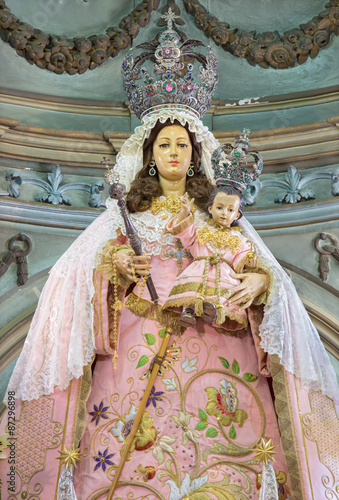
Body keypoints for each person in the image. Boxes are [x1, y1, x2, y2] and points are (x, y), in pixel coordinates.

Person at [1, 12, 338, 500]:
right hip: (136, 345)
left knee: (224, 450)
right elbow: (81, 273)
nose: (174, 152)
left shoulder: (216, 213)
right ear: (150, 153)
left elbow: (251, 262)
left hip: (216, 333)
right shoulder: (127, 216)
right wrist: (118, 266)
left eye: (182, 143)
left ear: (195, 152)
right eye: (165, 144)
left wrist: (260, 284)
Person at [163, 187, 265, 328]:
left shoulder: (240, 240)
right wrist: (184, 212)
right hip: (199, 269)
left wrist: (250, 265)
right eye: (219, 207)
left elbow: (240, 262)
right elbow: (184, 234)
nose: (224, 213)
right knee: (193, 288)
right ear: (210, 209)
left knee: (222, 291)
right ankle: (188, 311)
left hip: (224, 274)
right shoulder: (201, 228)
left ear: (237, 215)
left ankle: (214, 310)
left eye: (230, 210)